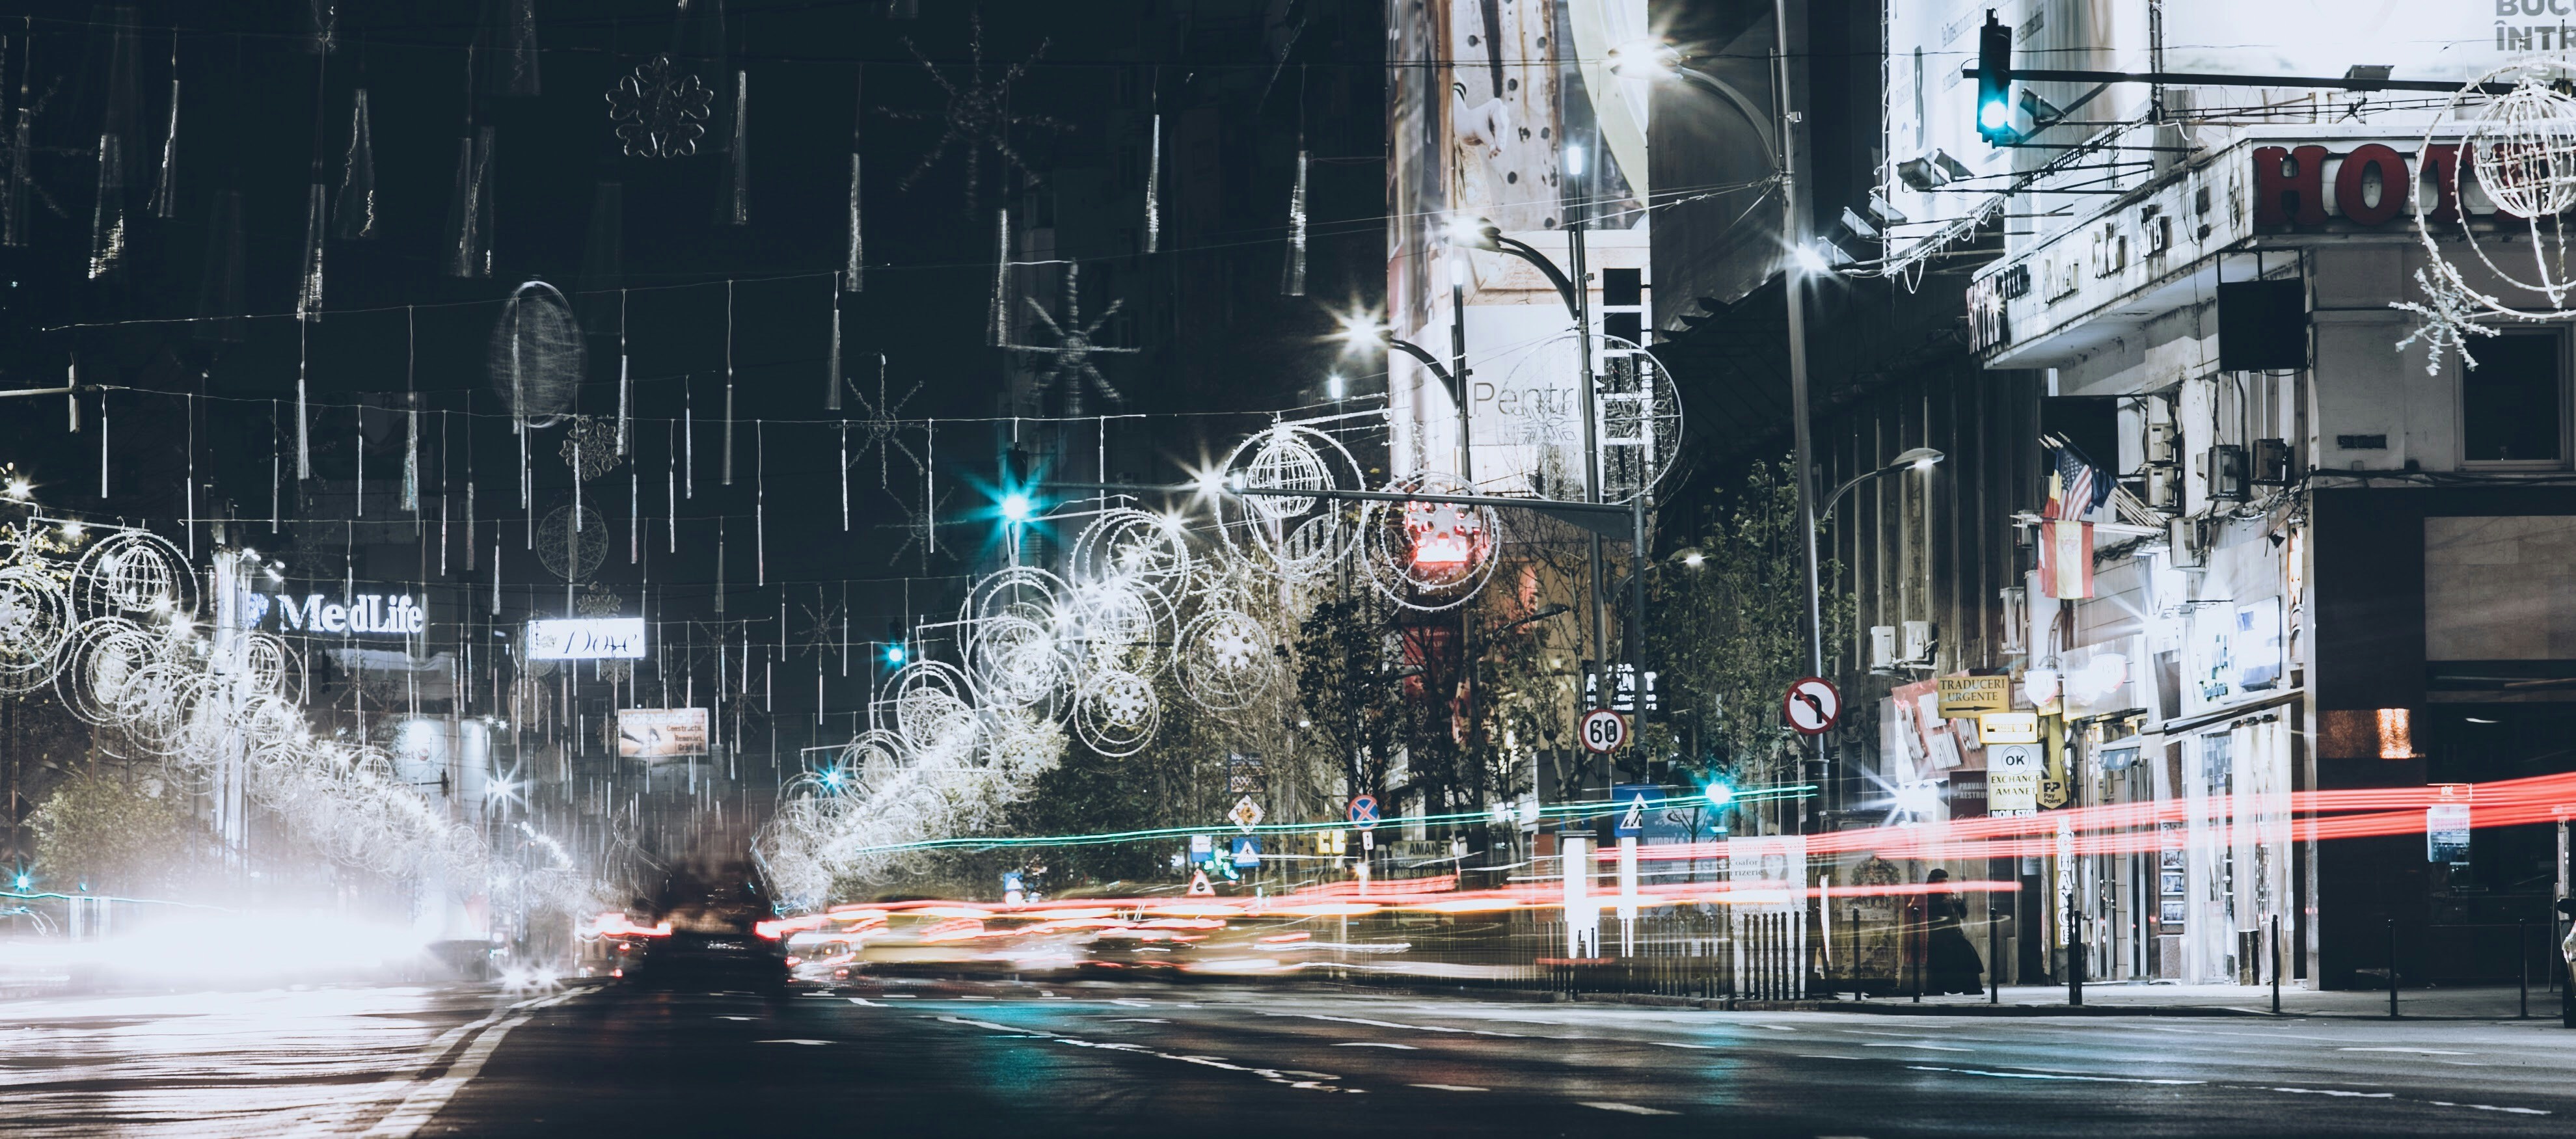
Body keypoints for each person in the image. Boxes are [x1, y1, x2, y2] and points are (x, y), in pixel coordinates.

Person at [1923, 868, 1986, 995]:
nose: (1944, 884)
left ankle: (1971, 987)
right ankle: (1942, 989)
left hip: (1953, 934)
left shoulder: (1949, 894)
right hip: (1938, 936)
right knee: (1948, 961)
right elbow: (1930, 914)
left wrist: (1957, 901)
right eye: (1941, 882)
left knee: (1967, 956)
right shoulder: (1929, 896)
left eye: (1945, 882)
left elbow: (1963, 914)